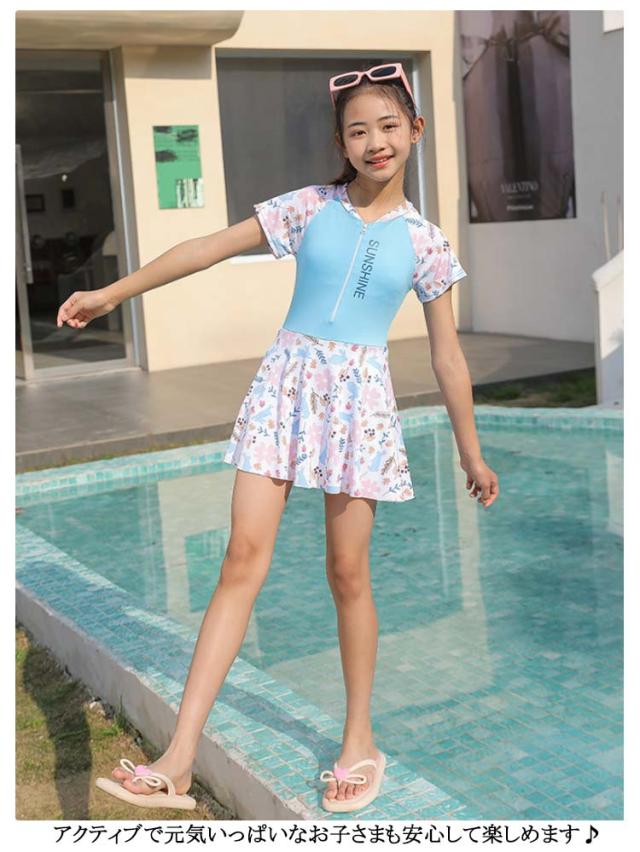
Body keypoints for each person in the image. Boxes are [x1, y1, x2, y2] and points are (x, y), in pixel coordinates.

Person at [57, 62, 499, 814]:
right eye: (357, 130)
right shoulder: (309, 206)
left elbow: (448, 357)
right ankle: (178, 760)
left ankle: (359, 740)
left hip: (359, 407)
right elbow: (207, 247)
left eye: (388, 126)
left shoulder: (427, 245)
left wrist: (471, 451)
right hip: (284, 390)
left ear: (415, 131)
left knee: (347, 573)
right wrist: (110, 293)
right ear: (341, 142)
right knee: (240, 559)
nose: (375, 141)